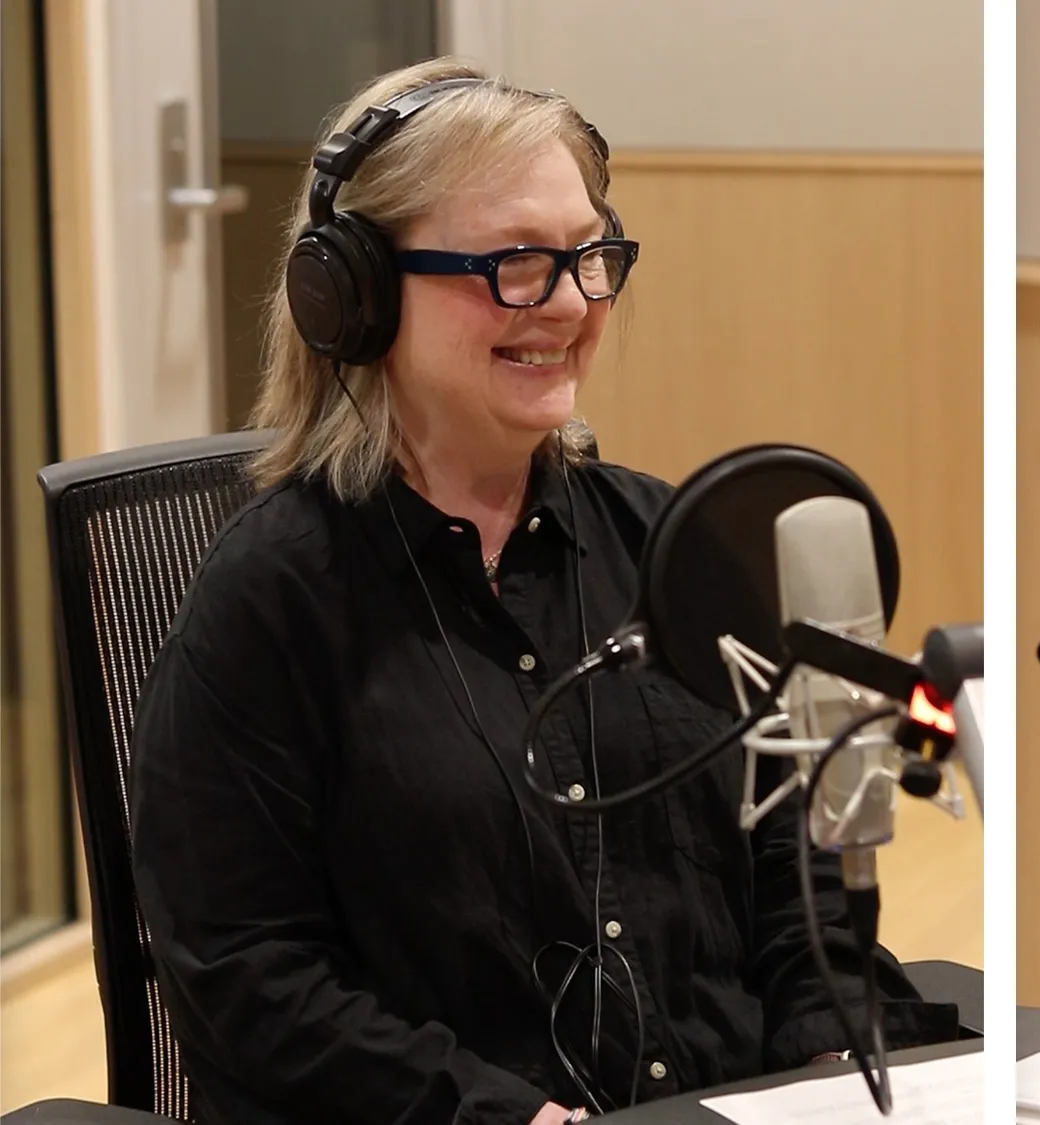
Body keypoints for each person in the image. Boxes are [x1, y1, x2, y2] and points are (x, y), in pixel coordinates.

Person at [128, 59, 957, 1125]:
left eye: (590, 256)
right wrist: (491, 1113)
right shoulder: (273, 600)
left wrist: (827, 1074)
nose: (569, 303)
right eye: (517, 264)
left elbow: (796, 884)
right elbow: (242, 974)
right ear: (357, 293)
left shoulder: (669, 547)